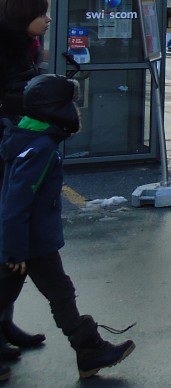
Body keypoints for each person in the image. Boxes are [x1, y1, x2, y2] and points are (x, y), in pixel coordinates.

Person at [0, 74, 136, 379]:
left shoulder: (30, 139)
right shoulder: (40, 149)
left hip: (30, 242)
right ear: (54, 110)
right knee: (46, 293)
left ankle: (90, 350)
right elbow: (15, 204)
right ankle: (90, 350)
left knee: (59, 293)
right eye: (70, 104)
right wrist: (13, 251)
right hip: (26, 244)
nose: (77, 111)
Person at [0, 0, 53, 365]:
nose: (48, 20)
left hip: (15, 148)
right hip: (7, 151)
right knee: (11, 244)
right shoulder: (7, 51)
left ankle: (6, 323)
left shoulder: (26, 47)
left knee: (16, 248)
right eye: (42, 15)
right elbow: (15, 99)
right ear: (24, 18)